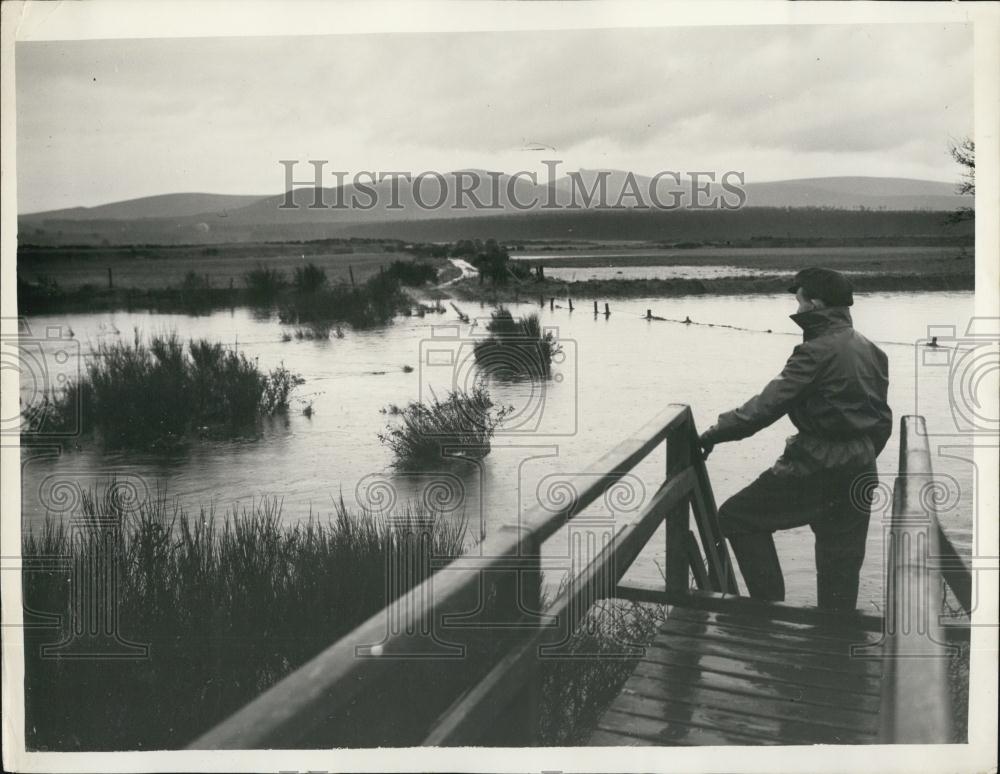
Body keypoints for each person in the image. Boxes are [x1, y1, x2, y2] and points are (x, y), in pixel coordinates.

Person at [698, 267, 892, 611]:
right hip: (861, 467)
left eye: (799, 301)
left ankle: (768, 613)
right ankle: (836, 642)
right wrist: (861, 452)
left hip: (816, 464)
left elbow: (764, 408)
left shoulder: (815, 351)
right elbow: (882, 420)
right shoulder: (871, 349)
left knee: (736, 516)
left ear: (814, 304)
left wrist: (714, 433)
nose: (797, 310)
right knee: (840, 562)